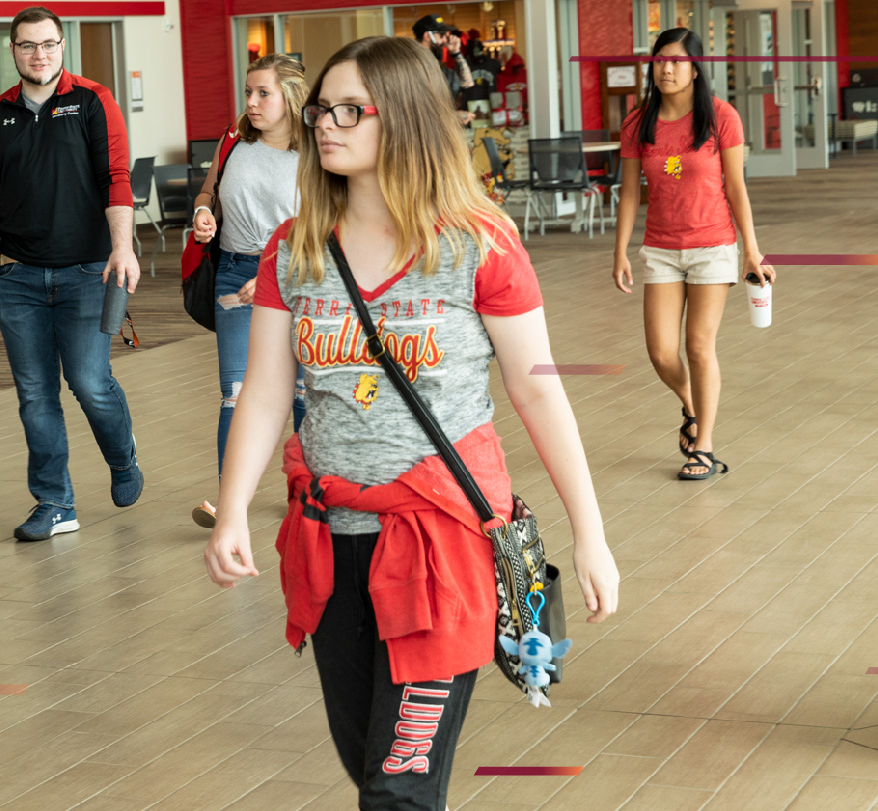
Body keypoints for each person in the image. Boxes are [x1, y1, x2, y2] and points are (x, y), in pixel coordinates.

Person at [201, 37, 620, 810]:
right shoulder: (292, 252)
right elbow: (264, 392)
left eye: (351, 109)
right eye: (323, 108)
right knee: (371, 766)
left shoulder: (478, 243)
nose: (327, 123)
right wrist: (232, 511)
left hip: (440, 551)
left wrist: (590, 532)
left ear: (408, 119)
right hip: (332, 547)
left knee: (397, 788)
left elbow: (539, 394)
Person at [0, 5, 144, 542]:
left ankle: (123, 457)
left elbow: (116, 177)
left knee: (90, 383)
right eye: (27, 46)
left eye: (48, 45)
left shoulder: (93, 101)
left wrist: (123, 249)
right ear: (12, 50)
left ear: (62, 47)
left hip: (89, 272)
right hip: (19, 278)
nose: (38, 55)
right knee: (36, 395)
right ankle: (55, 502)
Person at [610, 27, 775, 481]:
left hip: (712, 246)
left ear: (695, 67)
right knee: (662, 353)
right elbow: (628, 194)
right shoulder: (637, 122)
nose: (666, 68)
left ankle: (703, 447)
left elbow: (737, 188)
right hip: (661, 249)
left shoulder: (721, 117)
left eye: (677, 61)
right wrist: (621, 250)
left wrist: (751, 252)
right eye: (660, 60)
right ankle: (692, 405)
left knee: (699, 346)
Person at [186, 53, 309, 528]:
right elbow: (208, 192)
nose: (252, 102)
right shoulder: (234, 140)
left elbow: (328, 223)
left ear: (290, 98)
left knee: (302, 391)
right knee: (235, 389)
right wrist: (203, 214)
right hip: (235, 273)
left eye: (264, 94)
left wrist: (278, 271)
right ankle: (228, 501)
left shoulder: (316, 153)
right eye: (249, 92)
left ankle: (308, 488)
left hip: (297, 275)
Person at [411, 14, 474, 125]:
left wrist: (456, 52)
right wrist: (453, 116)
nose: (445, 40)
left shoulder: (435, 65)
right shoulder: (413, 66)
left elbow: (467, 83)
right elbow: (417, 111)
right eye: (441, 35)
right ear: (427, 36)